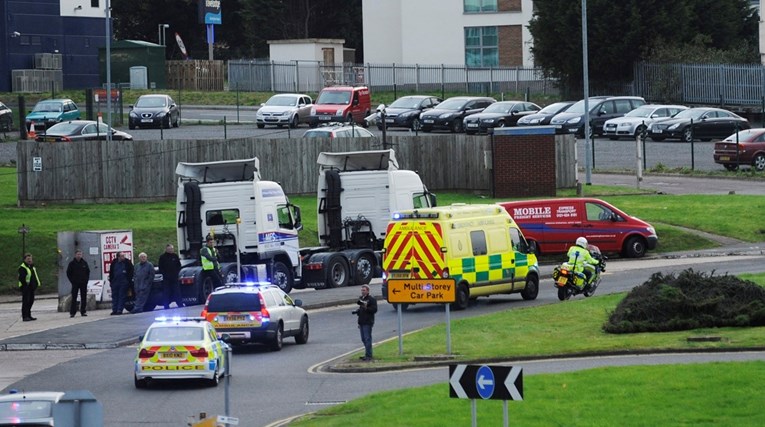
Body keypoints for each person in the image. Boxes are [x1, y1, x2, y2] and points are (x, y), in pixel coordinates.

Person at [354, 284, 377, 361]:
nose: (362, 292)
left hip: (368, 322)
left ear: (367, 291)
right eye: (362, 290)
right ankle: (367, 354)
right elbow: (361, 309)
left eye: (364, 290)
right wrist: (357, 311)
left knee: (367, 339)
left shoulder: (371, 299)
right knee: (363, 339)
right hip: (361, 321)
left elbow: (374, 310)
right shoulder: (361, 299)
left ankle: (369, 355)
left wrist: (366, 308)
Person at [66, 249, 90, 318]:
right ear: (75, 255)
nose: (79, 256)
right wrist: (72, 281)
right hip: (75, 283)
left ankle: (83, 311)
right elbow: (68, 273)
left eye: (80, 254)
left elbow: (88, 272)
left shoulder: (84, 263)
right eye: (78, 254)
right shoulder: (72, 263)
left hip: (83, 283)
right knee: (74, 297)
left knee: (83, 297)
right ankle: (72, 312)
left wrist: (86, 280)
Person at [158, 244, 183, 309]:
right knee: (166, 292)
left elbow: (179, 265)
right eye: (169, 249)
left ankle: (180, 304)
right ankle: (166, 305)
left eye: (172, 249)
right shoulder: (162, 257)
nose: (171, 250)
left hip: (174, 277)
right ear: (166, 249)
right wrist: (164, 274)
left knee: (177, 291)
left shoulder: (175, 256)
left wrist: (176, 273)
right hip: (166, 278)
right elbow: (160, 267)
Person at [18, 253, 39, 322]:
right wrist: (25, 284)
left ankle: (29, 315)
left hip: (31, 287)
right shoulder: (22, 267)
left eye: (30, 259)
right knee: (26, 302)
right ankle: (25, 316)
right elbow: (21, 278)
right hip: (25, 287)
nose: (30, 260)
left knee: (30, 301)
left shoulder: (32, 267)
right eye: (28, 259)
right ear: (25, 260)